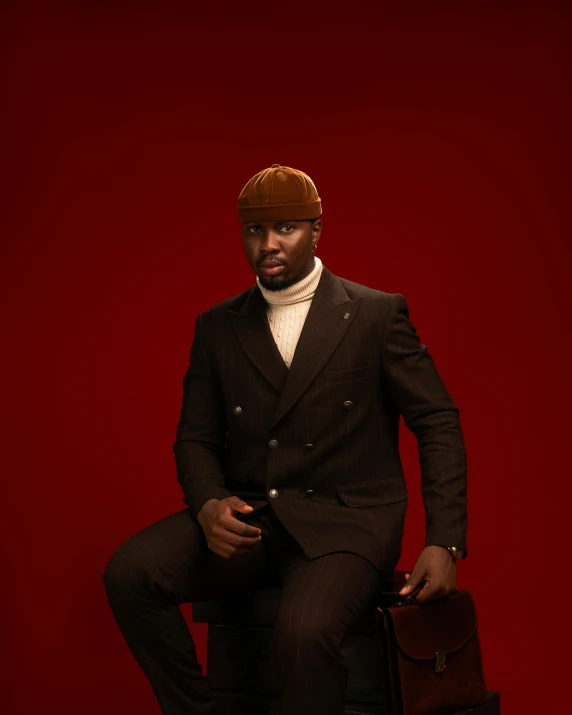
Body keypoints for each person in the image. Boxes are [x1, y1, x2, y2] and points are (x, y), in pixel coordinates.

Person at [103, 163, 467, 715]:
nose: (268, 245)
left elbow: (437, 419)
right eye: (255, 231)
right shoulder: (218, 326)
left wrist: (445, 540)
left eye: (286, 229)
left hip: (350, 521)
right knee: (129, 575)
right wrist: (206, 505)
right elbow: (195, 439)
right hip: (254, 520)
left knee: (300, 636)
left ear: (316, 230)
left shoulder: (374, 314)